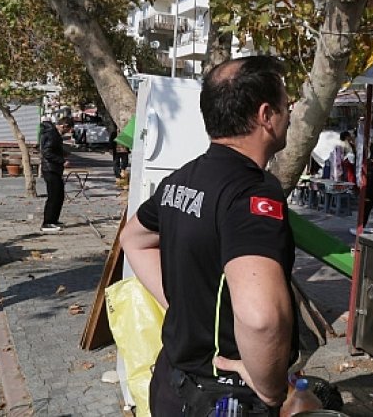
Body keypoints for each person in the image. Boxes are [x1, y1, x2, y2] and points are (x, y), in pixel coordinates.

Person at [120, 56, 296, 416]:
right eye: (285, 106)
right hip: (221, 399)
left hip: (171, 384)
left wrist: (181, 305)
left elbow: (132, 239)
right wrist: (272, 389)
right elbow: (261, 318)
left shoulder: (181, 179)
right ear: (266, 115)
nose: (289, 116)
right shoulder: (253, 193)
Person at [40, 116, 74, 233]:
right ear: (63, 126)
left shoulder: (54, 134)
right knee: (53, 196)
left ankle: (54, 220)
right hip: (50, 169)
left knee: (59, 195)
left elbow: (53, 149)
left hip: (54, 169)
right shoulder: (52, 134)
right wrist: (62, 161)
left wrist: (63, 152)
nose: (68, 132)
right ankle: (47, 222)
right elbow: (46, 152)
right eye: (68, 129)